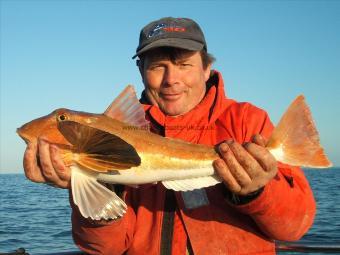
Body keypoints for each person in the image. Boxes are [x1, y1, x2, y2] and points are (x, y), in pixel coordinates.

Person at [23, 17, 316, 255]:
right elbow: (106, 249)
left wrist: (257, 192)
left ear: (206, 68)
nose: (171, 79)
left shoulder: (247, 121)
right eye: (157, 66)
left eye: (184, 65)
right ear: (140, 70)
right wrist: (95, 188)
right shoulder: (119, 127)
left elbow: (293, 228)